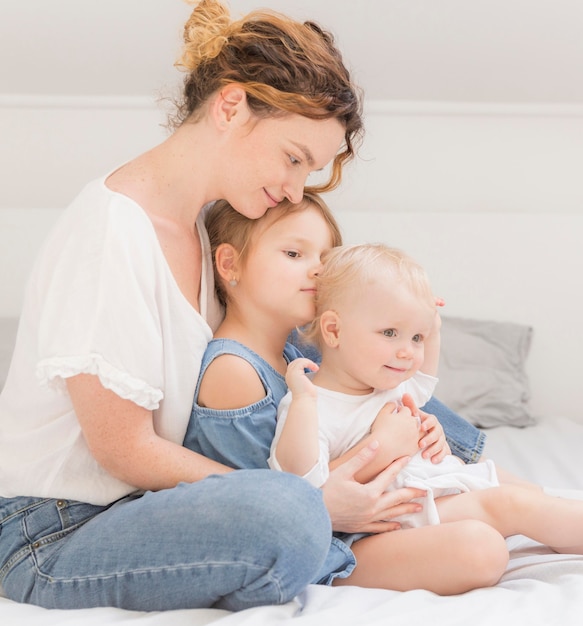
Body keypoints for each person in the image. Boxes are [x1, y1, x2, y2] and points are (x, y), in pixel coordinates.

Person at [0, 0, 420, 612]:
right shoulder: (111, 232)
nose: (297, 189)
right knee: (289, 510)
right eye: (294, 157)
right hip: (52, 534)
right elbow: (124, 450)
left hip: (144, 511)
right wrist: (314, 497)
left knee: (358, 358)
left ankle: (482, 491)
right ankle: (329, 539)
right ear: (230, 107)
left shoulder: (204, 230)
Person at [187, 196, 515, 594]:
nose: (317, 270)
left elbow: (387, 402)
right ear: (229, 264)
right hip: (319, 548)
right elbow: (273, 505)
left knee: (503, 503)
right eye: (294, 253)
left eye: (325, 259)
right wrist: (384, 444)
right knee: (483, 545)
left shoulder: (293, 350)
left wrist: (422, 432)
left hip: (356, 519)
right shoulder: (234, 370)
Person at [270, 242, 583, 590]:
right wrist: (302, 401)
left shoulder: (385, 384)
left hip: (429, 502)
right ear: (333, 330)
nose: (408, 352)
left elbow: (423, 382)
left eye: (416, 338)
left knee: (542, 520)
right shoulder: (313, 403)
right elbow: (302, 482)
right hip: (392, 519)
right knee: (511, 504)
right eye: (390, 333)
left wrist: (432, 328)